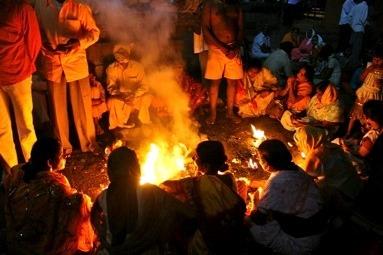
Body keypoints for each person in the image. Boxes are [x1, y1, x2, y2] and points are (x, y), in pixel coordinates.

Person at [91, 147, 195, 254]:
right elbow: (188, 213)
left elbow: (99, 230)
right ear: (133, 170)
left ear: (110, 173)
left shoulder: (101, 198)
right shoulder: (150, 191)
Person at [4, 137, 94, 254]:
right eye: (61, 155)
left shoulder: (16, 172)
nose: (65, 157)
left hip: (13, 235)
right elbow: (73, 201)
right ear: (49, 163)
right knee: (80, 201)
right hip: (36, 244)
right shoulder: (55, 188)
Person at [33, 0, 100, 155]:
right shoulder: (41, 6)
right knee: (57, 108)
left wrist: (78, 43)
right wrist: (44, 47)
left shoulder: (79, 6)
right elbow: (36, 32)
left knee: (82, 106)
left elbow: (94, 32)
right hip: (53, 62)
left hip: (76, 63)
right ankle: (62, 148)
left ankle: (89, 143)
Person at [161, 140, 246, 254]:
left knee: (176, 200)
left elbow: (166, 185)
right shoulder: (229, 177)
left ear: (205, 165)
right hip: (232, 234)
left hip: (208, 242)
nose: (193, 159)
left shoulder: (195, 183)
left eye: (196, 157)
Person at [248, 139, 324, 255]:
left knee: (253, 227)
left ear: (266, 163)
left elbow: (259, 218)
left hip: (302, 241)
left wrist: (255, 202)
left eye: (259, 158)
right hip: (316, 225)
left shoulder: (276, 184)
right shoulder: (295, 169)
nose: (258, 161)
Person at [0, 0, 41, 168]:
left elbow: (34, 42)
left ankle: (35, 168)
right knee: (2, 129)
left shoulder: (22, 9)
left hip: (18, 76)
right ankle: (10, 171)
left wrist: (24, 66)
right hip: (10, 74)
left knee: (25, 125)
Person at [294, 126, 363, 215]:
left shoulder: (314, 157)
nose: (299, 146)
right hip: (355, 183)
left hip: (345, 194)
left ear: (306, 141)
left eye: (299, 142)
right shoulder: (330, 145)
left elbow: (304, 179)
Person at [202, 0, 244, 124]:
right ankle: (213, 113)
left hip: (233, 49)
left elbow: (241, 28)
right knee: (215, 83)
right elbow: (205, 28)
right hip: (216, 49)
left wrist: (235, 47)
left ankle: (230, 112)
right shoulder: (210, 4)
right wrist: (222, 47)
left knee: (232, 82)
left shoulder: (236, 5)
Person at [106, 44, 152, 130]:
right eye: (119, 56)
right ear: (115, 56)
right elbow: (111, 87)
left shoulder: (138, 67)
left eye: (123, 54)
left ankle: (144, 122)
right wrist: (122, 95)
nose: (121, 58)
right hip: (121, 97)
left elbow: (145, 85)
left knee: (147, 97)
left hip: (136, 96)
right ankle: (120, 123)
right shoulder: (111, 68)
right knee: (112, 101)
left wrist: (134, 94)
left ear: (128, 54)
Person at [346, 48, 383, 136]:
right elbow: (361, 78)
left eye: (379, 60)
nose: (376, 61)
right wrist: (369, 69)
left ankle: (366, 133)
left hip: (374, 94)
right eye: (374, 59)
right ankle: (348, 132)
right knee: (356, 112)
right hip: (364, 92)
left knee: (370, 114)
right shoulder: (369, 66)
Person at [348, 0, 368, 69]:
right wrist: (365, 24)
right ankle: (353, 65)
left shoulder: (355, 6)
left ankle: (350, 64)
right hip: (359, 29)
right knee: (357, 49)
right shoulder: (365, 6)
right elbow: (363, 19)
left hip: (353, 29)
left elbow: (349, 17)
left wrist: (352, 25)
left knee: (352, 48)